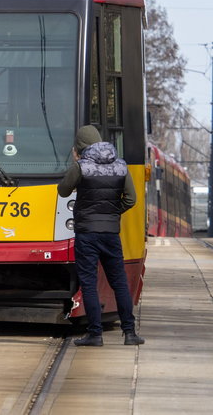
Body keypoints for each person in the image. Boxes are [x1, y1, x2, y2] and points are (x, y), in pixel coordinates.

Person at [58, 125, 145, 347]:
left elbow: (63, 190)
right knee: (119, 283)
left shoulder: (81, 167)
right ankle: (129, 333)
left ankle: (95, 335)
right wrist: (112, 213)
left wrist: (75, 163)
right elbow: (131, 199)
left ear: (79, 147)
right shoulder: (120, 167)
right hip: (110, 234)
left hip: (87, 234)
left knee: (89, 283)